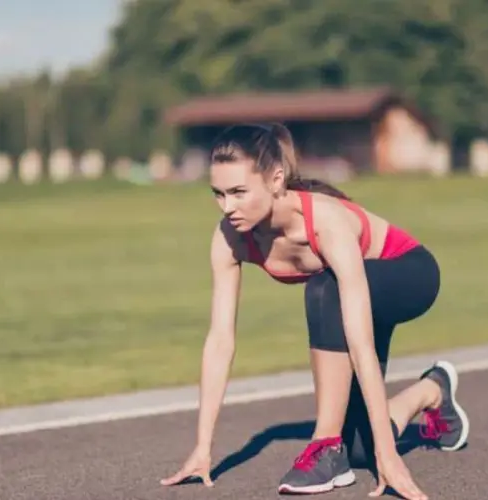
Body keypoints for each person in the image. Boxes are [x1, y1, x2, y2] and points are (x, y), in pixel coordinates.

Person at [160, 122, 469, 500]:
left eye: (239, 192)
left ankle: (324, 444)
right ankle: (432, 391)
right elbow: (220, 340)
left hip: (411, 275)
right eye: (219, 194)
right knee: (361, 451)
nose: (228, 207)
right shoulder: (229, 238)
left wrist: (390, 457)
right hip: (347, 295)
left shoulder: (325, 222)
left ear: (275, 180)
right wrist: (202, 447)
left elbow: (360, 343)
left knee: (324, 287)